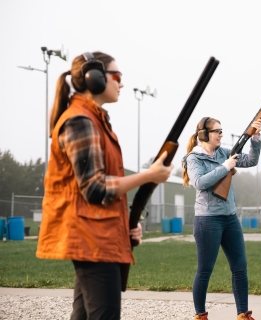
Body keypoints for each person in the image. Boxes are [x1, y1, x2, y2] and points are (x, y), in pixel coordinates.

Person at [36, 51, 173, 320]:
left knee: (85, 316)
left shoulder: (94, 120)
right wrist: (149, 176)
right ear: (94, 78)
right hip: (91, 239)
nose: (121, 84)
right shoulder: (80, 121)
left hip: (96, 236)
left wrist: (126, 225)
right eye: (117, 76)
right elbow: (95, 188)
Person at [182, 117, 261, 320]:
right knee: (205, 269)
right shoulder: (194, 158)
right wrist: (225, 167)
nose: (221, 134)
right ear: (204, 135)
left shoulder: (223, 152)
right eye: (217, 131)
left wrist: (256, 138)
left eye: (221, 130)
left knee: (240, 266)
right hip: (208, 220)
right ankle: (200, 315)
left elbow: (251, 161)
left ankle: (243, 314)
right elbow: (200, 183)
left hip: (230, 218)